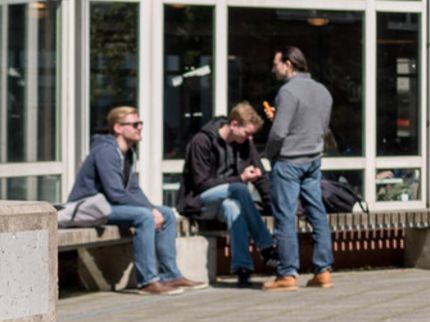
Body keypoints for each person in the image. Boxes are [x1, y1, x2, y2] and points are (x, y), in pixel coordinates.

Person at [70, 106, 196, 295]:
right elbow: (116, 193)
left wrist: (153, 208)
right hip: (90, 207)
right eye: (135, 124)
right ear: (118, 128)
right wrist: (149, 211)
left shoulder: (127, 153)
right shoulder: (106, 151)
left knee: (167, 214)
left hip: (108, 206)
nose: (139, 128)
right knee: (145, 217)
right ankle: (147, 281)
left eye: (140, 124)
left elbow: (133, 189)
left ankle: (171, 274)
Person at [179, 102, 277, 288]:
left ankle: (242, 269)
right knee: (239, 188)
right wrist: (239, 178)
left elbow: (261, 176)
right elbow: (200, 183)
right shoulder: (202, 141)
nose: (250, 137)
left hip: (226, 202)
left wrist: (272, 207)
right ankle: (266, 246)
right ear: (233, 125)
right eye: (247, 133)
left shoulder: (245, 143)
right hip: (200, 202)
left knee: (234, 207)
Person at [262, 47, 335, 291]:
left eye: (276, 63)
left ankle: (287, 274)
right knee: (317, 214)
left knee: (285, 217)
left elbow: (280, 132)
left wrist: (270, 154)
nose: (274, 69)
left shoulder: (288, 91)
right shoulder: (323, 91)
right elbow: (321, 128)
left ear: (289, 64)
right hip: (313, 161)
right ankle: (323, 271)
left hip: (289, 162)